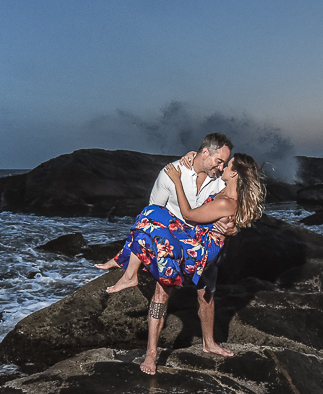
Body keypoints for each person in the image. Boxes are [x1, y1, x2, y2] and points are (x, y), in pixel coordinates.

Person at [102, 153, 266, 375]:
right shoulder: (221, 189)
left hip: (200, 250)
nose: (222, 167)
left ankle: (203, 343)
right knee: (201, 292)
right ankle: (158, 351)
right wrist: (192, 158)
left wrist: (177, 180)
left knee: (192, 288)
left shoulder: (227, 201)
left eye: (227, 165)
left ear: (235, 173)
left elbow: (189, 214)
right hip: (196, 240)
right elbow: (204, 171)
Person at [97, 133, 233, 356]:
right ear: (205, 152)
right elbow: (152, 215)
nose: (221, 167)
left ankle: (209, 343)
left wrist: (233, 227)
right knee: (161, 293)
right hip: (173, 243)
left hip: (202, 241)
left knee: (206, 293)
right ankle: (151, 352)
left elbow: (238, 203)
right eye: (219, 161)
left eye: (225, 164)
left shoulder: (220, 181)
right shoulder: (171, 173)